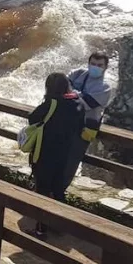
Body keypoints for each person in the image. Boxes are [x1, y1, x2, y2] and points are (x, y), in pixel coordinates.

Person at [27, 73, 86, 238]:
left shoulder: (52, 103)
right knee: (58, 189)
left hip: (45, 152)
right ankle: (60, 225)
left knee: (43, 190)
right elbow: (81, 125)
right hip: (65, 153)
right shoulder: (78, 103)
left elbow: (33, 118)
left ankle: (41, 229)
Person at [61, 52, 113, 190]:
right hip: (66, 123)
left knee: (71, 161)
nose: (95, 67)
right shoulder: (78, 73)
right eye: (93, 64)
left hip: (84, 128)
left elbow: (86, 103)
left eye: (99, 65)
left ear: (106, 67)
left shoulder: (105, 87)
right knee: (56, 155)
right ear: (88, 63)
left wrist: (71, 93)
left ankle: (59, 191)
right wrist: (76, 95)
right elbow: (60, 86)